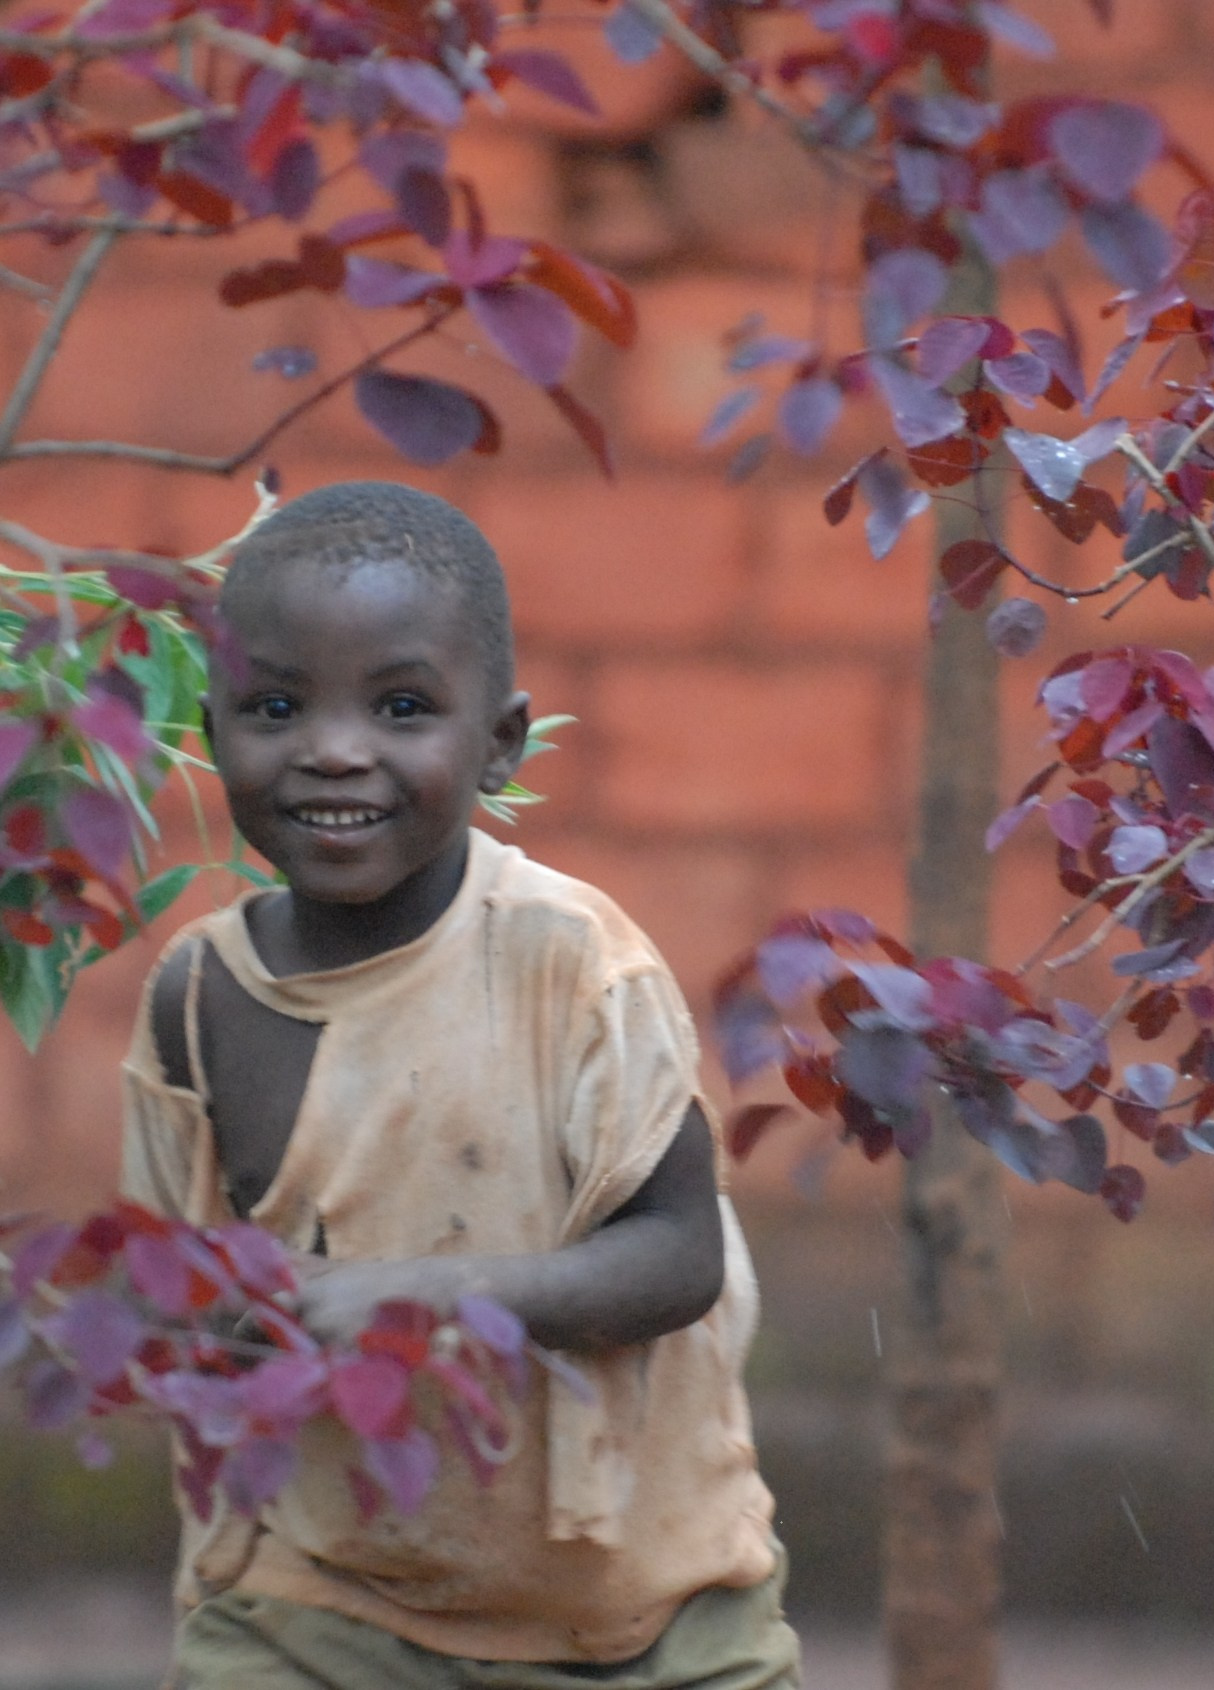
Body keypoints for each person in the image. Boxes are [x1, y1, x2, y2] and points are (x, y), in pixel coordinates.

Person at [119, 480, 799, 1689]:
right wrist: (226, 1317)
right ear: (207, 727)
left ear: (499, 742)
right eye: (274, 705)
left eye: (400, 706)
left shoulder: (569, 964)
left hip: (640, 1615)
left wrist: (426, 1293)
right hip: (321, 1601)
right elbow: (169, 1289)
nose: (333, 748)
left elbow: (678, 1255)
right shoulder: (195, 999)